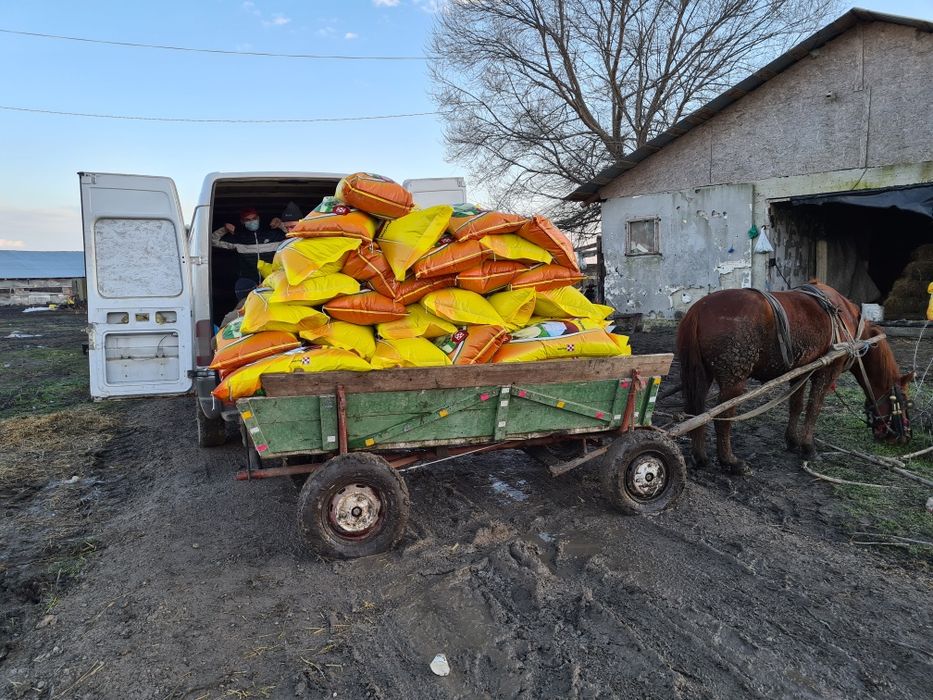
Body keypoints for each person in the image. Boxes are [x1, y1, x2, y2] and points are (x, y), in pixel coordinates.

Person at [212, 207, 288, 298]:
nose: (252, 221)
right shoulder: (238, 238)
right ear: (242, 222)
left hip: (272, 282)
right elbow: (213, 241)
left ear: (259, 219)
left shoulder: (274, 235)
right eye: (247, 220)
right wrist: (224, 229)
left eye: (254, 218)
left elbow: (295, 238)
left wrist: (281, 224)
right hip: (248, 285)